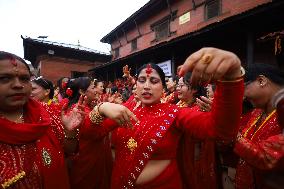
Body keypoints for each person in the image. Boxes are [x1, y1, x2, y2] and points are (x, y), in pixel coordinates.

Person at [88, 47, 244, 189]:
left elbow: (219, 130)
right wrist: (100, 109)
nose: (147, 86)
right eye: (142, 81)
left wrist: (231, 80)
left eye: (154, 81)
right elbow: (90, 135)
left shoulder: (175, 113)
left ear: (163, 87)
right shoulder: (123, 111)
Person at [0, 51, 85, 189]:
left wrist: (70, 132)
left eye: (24, 79)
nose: (17, 85)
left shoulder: (47, 111)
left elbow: (69, 151)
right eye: (4, 78)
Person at [233, 63, 284, 189]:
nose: (243, 97)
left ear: (261, 81)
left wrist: (229, 130)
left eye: (242, 89)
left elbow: (268, 157)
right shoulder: (257, 112)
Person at [65, 77, 113, 189]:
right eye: (93, 87)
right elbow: (99, 132)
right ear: (82, 91)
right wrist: (116, 116)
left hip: (94, 157)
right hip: (86, 161)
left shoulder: (86, 107)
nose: (96, 90)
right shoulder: (78, 111)